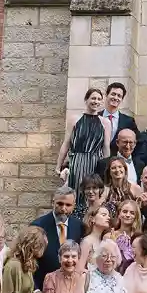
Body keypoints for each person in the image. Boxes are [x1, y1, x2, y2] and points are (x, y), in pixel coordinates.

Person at [56, 88, 111, 216]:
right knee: (76, 193)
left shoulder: (105, 122)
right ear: (86, 100)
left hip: (95, 163)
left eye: (98, 99)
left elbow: (106, 147)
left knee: (92, 195)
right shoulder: (74, 119)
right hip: (77, 163)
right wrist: (58, 166)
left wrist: (106, 170)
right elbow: (66, 143)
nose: (95, 101)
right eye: (93, 98)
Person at [31, 187, 83, 291]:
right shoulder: (38, 226)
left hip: (70, 289)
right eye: (60, 204)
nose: (63, 208)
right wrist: (35, 290)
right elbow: (30, 260)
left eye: (68, 205)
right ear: (53, 202)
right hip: (43, 289)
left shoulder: (79, 226)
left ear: (74, 206)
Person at [102, 80, 140, 153]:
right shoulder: (96, 117)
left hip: (119, 162)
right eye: (113, 94)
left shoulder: (128, 121)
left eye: (119, 96)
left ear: (122, 99)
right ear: (106, 95)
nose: (116, 98)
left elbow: (137, 142)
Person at [79, 204, 115, 268]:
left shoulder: (104, 241)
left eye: (109, 216)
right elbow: (79, 268)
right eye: (104, 215)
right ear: (92, 219)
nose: (108, 218)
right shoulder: (87, 241)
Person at [112, 199, 140, 272]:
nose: (128, 215)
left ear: (136, 217)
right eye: (124, 212)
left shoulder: (139, 238)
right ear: (119, 214)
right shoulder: (111, 235)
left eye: (132, 213)